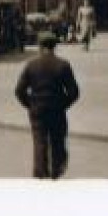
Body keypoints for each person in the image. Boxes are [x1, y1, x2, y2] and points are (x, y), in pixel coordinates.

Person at [14, 31, 80, 180]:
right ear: (54, 46)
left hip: (37, 109)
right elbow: (74, 92)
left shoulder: (31, 65)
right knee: (57, 141)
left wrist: (30, 104)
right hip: (57, 109)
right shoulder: (63, 65)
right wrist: (63, 104)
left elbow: (19, 91)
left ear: (40, 46)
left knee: (39, 142)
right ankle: (56, 172)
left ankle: (40, 174)